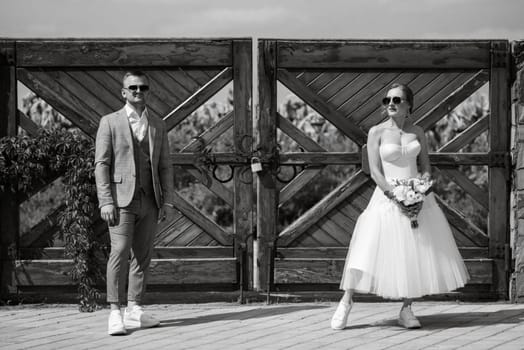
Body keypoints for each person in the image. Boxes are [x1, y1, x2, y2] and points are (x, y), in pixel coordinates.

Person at [331, 83, 469, 330]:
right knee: (366, 248)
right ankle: (347, 300)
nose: (390, 104)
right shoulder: (376, 132)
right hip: (387, 195)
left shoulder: (417, 132)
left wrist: (421, 187)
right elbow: (375, 171)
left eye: (396, 99)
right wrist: (395, 195)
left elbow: (425, 166)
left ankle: (406, 309)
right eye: (387, 100)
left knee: (415, 252)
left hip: (418, 197)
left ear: (408, 105)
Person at [95, 71, 176, 335]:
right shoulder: (109, 122)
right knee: (119, 252)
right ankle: (115, 311)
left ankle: (134, 309)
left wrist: (168, 201)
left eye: (143, 87)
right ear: (124, 92)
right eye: (133, 87)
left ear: (148, 90)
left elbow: (165, 166)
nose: (138, 91)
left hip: (150, 199)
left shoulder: (157, 124)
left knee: (142, 255)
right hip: (120, 201)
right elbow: (101, 164)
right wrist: (105, 201)